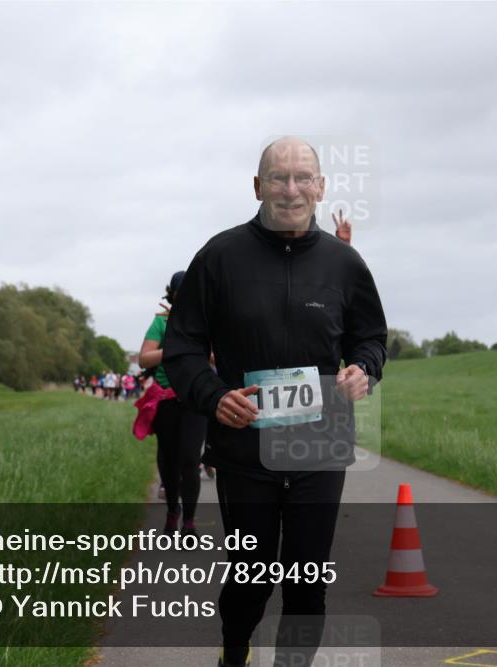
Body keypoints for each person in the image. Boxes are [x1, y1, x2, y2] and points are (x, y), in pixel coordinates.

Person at [163, 137, 387, 667]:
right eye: (279, 177)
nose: (291, 188)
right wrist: (215, 396)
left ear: (321, 186)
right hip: (246, 450)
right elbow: (182, 348)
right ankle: (234, 652)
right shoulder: (218, 257)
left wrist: (364, 369)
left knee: (308, 584)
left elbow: (371, 337)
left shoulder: (344, 263)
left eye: (303, 177)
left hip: (320, 447)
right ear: (258, 186)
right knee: (252, 579)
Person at [140, 271, 207, 537]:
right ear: (173, 294)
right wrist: (175, 345)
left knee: (191, 458)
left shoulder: (205, 321)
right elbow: (145, 359)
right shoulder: (160, 323)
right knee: (169, 459)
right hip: (166, 398)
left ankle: (189, 522)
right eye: (182, 292)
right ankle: (172, 512)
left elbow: (214, 357)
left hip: (194, 398)